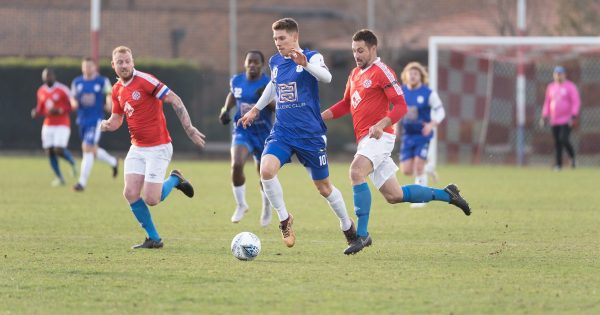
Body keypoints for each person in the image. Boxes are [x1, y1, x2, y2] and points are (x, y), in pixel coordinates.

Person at [321, 29, 471, 255]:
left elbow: (400, 106)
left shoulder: (383, 72)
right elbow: (345, 104)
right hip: (366, 140)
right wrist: (320, 117)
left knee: (355, 172)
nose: (356, 55)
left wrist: (381, 124)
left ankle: (361, 235)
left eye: (361, 50)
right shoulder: (354, 74)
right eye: (354, 51)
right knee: (394, 195)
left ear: (373, 48)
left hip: (381, 137)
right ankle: (447, 194)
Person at [239, 18, 354, 249]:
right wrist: (255, 109)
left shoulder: (312, 57)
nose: (278, 43)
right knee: (266, 170)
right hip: (282, 131)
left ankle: (347, 226)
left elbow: (327, 77)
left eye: (282, 38)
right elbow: (273, 84)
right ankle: (284, 219)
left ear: (295, 37)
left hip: (310, 135)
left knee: (324, 188)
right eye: (275, 39)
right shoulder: (275, 61)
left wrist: (306, 64)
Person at [101, 46, 206, 249]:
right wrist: (105, 125)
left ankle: (175, 179)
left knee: (151, 198)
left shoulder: (145, 80)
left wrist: (189, 128)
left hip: (159, 147)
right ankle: (154, 239)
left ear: (133, 62)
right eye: (120, 62)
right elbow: (116, 121)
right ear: (113, 65)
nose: (124, 65)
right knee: (130, 193)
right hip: (137, 148)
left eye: (127, 61)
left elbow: (175, 99)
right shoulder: (117, 90)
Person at [219, 50, 275, 226]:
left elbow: (277, 108)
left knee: (263, 176)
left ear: (262, 65)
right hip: (243, 131)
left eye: (256, 62)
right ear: (244, 63)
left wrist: (264, 99)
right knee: (236, 164)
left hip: (263, 133)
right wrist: (225, 110)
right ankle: (241, 204)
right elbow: (233, 95)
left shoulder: (268, 83)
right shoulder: (237, 80)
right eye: (249, 61)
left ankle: (266, 206)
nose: (252, 65)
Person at [398, 62, 446, 208]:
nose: (412, 76)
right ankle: (428, 169)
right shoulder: (401, 91)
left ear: (421, 77)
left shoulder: (428, 93)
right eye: (410, 73)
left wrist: (431, 124)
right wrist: (395, 126)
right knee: (406, 170)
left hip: (422, 135)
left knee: (418, 166)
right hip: (408, 135)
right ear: (405, 76)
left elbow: (440, 111)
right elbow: (396, 110)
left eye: (415, 74)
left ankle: (420, 198)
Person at [71, 57, 119, 192]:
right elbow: (73, 98)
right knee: (92, 149)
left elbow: (110, 93)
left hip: (96, 120)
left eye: (90, 66)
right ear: (82, 67)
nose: (87, 69)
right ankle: (113, 162)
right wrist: (73, 103)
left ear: (94, 68)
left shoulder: (102, 81)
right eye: (85, 66)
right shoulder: (77, 82)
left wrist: (110, 103)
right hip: (82, 120)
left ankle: (81, 183)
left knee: (86, 147)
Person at [31, 67, 77, 186]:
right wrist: (36, 112)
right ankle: (60, 178)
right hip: (48, 125)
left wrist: (60, 110)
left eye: (49, 75)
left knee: (58, 149)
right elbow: (41, 108)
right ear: (43, 77)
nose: (48, 78)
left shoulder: (62, 89)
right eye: (45, 76)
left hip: (62, 124)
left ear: (54, 77)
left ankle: (72, 162)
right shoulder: (41, 91)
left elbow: (72, 106)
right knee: (50, 151)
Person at [540, 66, 580, 170]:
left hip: (567, 120)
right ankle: (558, 165)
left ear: (564, 74)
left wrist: (574, 115)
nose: (558, 76)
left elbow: (576, 102)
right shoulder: (551, 87)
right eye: (556, 74)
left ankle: (572, 158)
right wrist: (544, 116)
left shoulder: (570, 87)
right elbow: (547, 103)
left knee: (564, 139)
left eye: (560, 74)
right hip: (554, 120)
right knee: (557, 142)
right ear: (554, 75)